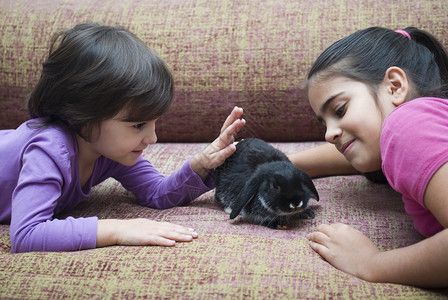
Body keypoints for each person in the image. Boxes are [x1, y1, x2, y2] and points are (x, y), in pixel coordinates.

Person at [0, 23, 245, 253]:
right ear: (83, 117)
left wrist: (203, 164)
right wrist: (118, 228)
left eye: (153, 122)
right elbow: (26, 235)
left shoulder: (109, 151)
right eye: (138, 125)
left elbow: (157, 193)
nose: (153, 137)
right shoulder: (49, 150)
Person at [288, 27, 448, 288]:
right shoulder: (416, 128)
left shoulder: (406, 125)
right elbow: (368, 150)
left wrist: (371, 264)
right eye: (324, 123)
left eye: (340, 110)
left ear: (394, 86)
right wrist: (281, 162)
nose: (329, 134)